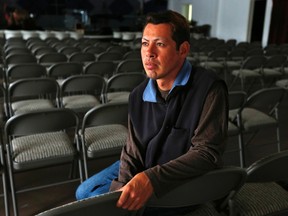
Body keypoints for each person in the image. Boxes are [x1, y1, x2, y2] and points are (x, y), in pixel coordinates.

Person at [76, 10, 228, 215]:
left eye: (160, 44)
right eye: (145, 43)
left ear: (183, 50)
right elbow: (133, 149)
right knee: (84, 192)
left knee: (104, 205)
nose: (149, 53)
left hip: (185, 176)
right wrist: (123, 185)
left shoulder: (209, 87)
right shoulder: (138, 94)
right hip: (148, 163)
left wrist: (149, 179)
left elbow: (206, 154)